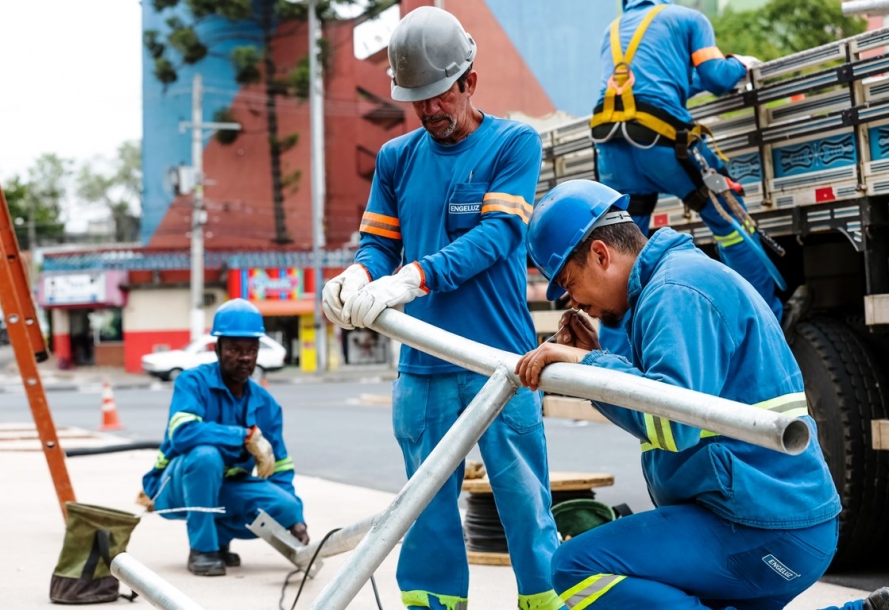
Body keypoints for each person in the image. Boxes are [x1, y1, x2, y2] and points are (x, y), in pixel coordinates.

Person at [511, 179, 886, 609]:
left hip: (762, 524)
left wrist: (590, 366)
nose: (573, 303)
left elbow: (672, 422)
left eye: (569, 282)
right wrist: (596, 365)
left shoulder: (674, 293)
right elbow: (666, 396)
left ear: (600, 254)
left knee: (576, 567)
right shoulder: (676, 282)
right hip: (778, 518)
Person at [321, 7, 563, 609]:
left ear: (469, 81)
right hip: (423, 368)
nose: (429, 109)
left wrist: (414, 277)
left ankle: (544, 601)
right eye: (417, 99)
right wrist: (359, 273)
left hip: (500, 365)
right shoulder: (396, 158)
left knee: (525, 505)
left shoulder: (513, 144)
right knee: (425, 512)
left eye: (440, 95)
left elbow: (498, 235)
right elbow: (379, 243)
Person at [590, 0, 781, 356]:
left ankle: (618, 358)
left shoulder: (611, 31)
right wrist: (740, 65)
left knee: (620, 251)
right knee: (728, 218)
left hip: (612, 149)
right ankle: (766, 320)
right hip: (663, 144)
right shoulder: (689, 18)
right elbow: (716, 77)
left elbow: (665, 83)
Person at [141, 299, 308, 577]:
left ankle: (218, 538)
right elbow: (182, 434)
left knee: (287, 507)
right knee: (206, 456)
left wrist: (295, 520)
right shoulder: (192, 382)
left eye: (251, 350)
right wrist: (243, 436)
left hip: (226, 486)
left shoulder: (266, 405)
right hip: (174, 485)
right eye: (234, 349)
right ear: (217, 349)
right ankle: (203, 549)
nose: (244, 357)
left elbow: (280, 467)